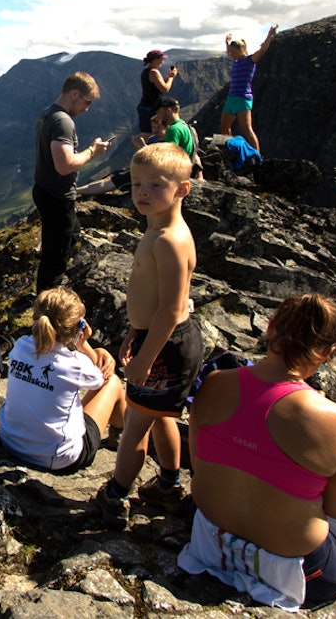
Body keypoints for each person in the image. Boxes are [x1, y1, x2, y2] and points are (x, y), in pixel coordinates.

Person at [178, 293, 336, 611]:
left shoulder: (213, 383)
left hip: (210, 541)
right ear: (328, 352)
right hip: (303, 572)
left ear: (270, 327)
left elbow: (198, 464)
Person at [95, 143, 203, 528]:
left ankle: (116, 494)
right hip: (156, 340)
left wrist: (144, 358)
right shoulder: (157, 228)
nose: (141, 193)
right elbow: (154, 299)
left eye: (155, 185)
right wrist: (133, 332)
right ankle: (168, 486)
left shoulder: (169, 241)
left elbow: (173, 309)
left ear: (182, 190)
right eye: (137, 184)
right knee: (162, 416)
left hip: (165, 347)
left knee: (135, 426)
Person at [0, 287, 126, 473]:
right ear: (77, 327)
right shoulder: (74, 363)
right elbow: (101, 379)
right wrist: (85, 345)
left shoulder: (20, 346)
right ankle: (120, 434)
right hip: (57, 458)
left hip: (9, 441)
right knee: (113, 383)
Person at [33, 72, 111, 293]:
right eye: (87, 102)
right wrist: (92, 151)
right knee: (54, 258)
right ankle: (47, 306)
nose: (87, 108)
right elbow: (64, 165)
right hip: (57, 197)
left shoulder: (48, 113)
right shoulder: (63, 122)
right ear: (75, 93)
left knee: (70, 234)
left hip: (44, 189)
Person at [220, 25, 277, 156]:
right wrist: (227, 42)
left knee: (246, 129)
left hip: (243, 98)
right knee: (224, 127)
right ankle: (231, 150)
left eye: (234, 52)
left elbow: (262, 50)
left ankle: (257, 156)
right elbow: (229, 51)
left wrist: (270, 35)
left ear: (241, 50)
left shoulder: (249, 61)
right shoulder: (236, 61)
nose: (231, 54)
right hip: (231, 97)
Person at [137, 50, 177, 139]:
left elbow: (158, 85)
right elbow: (164, 89)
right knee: (152, 133)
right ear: (155, 60)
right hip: (151, 107)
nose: (162, 62)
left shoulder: (146, 71)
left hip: (145, 106)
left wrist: (168, 77)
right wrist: (171, 78)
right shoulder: (154, 72)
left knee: (147, 133)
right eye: (160, 59)